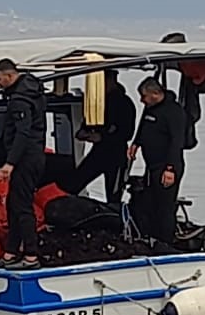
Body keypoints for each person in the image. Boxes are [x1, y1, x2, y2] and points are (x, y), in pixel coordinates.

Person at [0, 58, 46, 267]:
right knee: (14, 205)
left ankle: (31, 255)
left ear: (9, 75)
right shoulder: (34, 91)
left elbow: (23, 132)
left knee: (22, 206)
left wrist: (10, 163)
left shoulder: (20, 100)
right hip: (34, 155)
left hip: (26, 158)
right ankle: (10, 252)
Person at [128, 76, 188, 248]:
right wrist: (136, 143)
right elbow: (144, 126)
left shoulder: (173, 112)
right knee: (149, 203)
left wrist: (170, 169)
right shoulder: (150, 109)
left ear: (155, 94)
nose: (141, 100)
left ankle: (166, 243)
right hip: (151, 165)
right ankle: (150, 237)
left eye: (144, 96)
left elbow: (177, 142)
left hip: (167, 165)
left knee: (165, 207)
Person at [67, 73, 136, 205]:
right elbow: (88, 124)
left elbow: (127, 133)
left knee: (114, 195)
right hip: (99, 152)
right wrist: (84, 131)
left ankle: (115, 220)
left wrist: (102, 137)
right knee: (75, 182)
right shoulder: (98, 103)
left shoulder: (125, 104)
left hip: (116, 154)